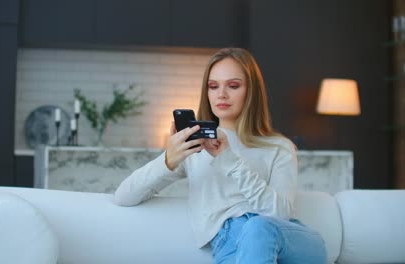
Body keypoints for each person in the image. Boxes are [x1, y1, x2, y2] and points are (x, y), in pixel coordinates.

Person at [114, 47, 327, 263]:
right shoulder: (196, 149)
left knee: (258, 226)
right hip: (230, 244)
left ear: (251, 91)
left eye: (233, 86)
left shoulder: (279, 147)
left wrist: (230, 161)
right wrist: (168, 160)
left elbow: (279, 214)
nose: (221, 94)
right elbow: (123, 196)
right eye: (213, 86)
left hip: (290, 242)